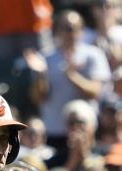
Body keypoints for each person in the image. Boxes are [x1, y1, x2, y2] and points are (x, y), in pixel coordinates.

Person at [32, 10, 111, 163]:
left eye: (72, 28)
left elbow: (95, 91)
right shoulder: (45, 58)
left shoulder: (93, 55)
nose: (69, 32)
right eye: (64, 28)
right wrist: (41, 75)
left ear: (81, 30)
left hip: (85, 133)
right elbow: (38, 97)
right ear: (58, 30)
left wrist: (73, 76)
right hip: (54, 132)